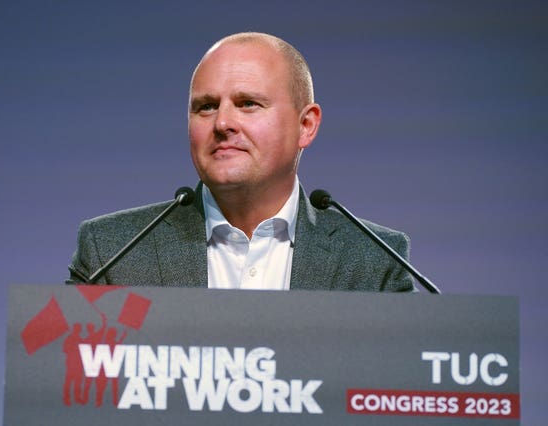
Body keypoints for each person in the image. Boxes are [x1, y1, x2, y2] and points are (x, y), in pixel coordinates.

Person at [68, 32, 414, 292]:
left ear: (305, 125)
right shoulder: (112, 252)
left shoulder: (376, 259)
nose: (221, 123)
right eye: (206, 106)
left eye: (248, 103)